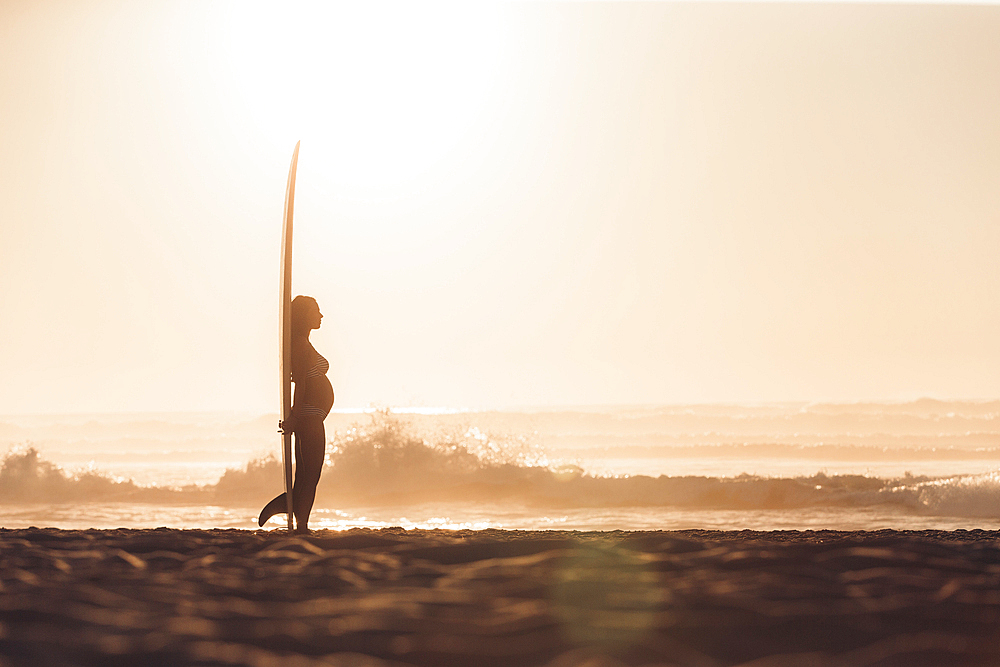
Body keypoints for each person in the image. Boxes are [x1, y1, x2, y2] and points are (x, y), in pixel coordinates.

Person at [258, 295, 333, 532]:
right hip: (309, 418)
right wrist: (295, 417)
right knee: (311, 475)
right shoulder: (300, 344)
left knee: (306, 476)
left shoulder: (303, 342)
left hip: (310, 416)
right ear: (303, 315)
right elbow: (300, 383)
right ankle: (301, 525)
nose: (321, 315)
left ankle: (294, 513)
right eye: (316, 310)